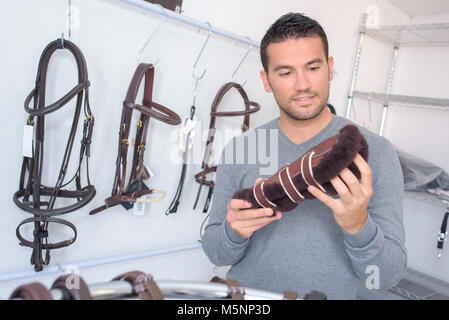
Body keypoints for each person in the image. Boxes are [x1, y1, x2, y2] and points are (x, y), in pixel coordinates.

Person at [201, 12, 407, 300]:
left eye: (312, 68)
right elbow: (215, 251)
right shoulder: (239, 149)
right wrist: (234, 231)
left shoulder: (376, 153)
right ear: (266, 80)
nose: (302, 84)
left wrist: (358, 227)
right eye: (285, 72)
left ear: (330, 68)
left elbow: (386, 277)